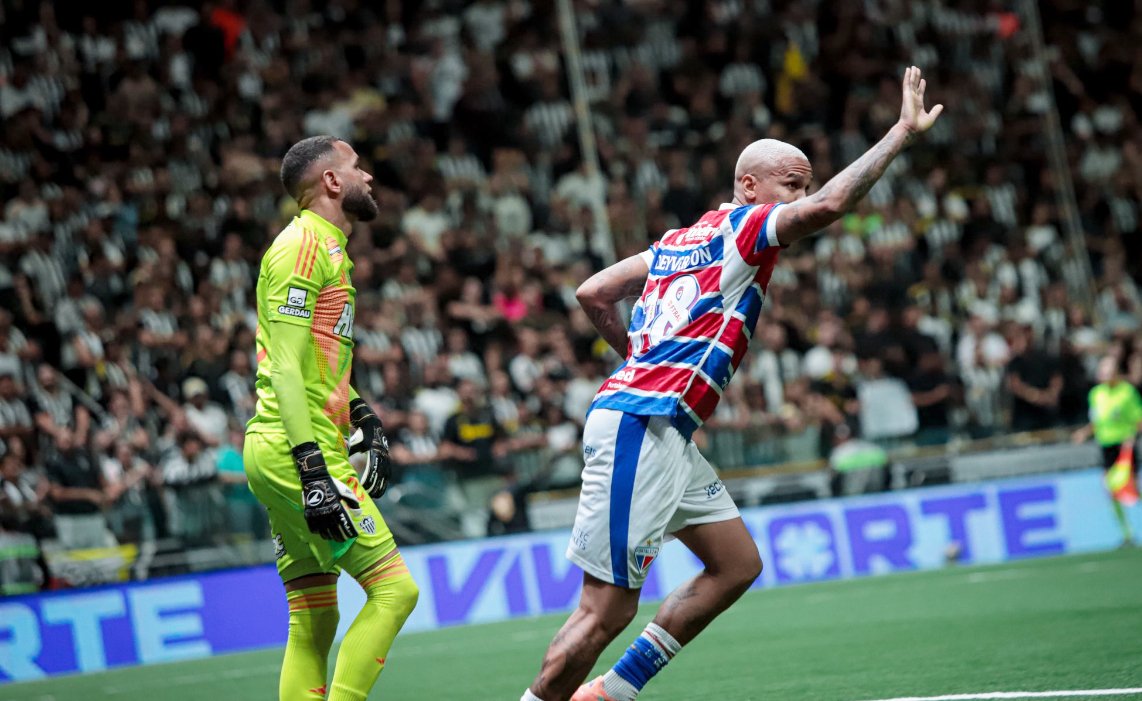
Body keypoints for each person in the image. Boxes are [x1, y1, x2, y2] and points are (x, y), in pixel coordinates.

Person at [521, 67, 943, 701]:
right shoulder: (746, 229)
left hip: (663, 426)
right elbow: (830, 206)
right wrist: (900, 134)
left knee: (736, 564)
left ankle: (610, 693)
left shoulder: (675, 242)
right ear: (749, 186)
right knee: (604, 612)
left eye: (802, 184)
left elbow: (594, 291)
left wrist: (637, 352)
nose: (800, 196)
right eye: (790, 185)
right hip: (642, 421)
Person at [244, 135, 418, 701]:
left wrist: (360, 411)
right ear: (332, 182)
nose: (368, 177)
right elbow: (287, 371)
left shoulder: (329, 248)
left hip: (289, 446)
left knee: (314, 617)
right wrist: (314, 467)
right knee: (395, 591)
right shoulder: (302, 248)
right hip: (296, 449)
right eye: (357, 167)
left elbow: (314, 359)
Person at [1072, 354, 1142, 546]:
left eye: (1108, 371)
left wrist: (1133, 437)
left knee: (1132, 489)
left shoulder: (1127, 392)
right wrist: (1084, 433)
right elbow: (1097, 420)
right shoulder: (1096, 394)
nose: (1104, 375)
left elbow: (1138, 419)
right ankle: (1126, 533)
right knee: (1110, 489)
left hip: (1124, 445)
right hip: (1106, 446)